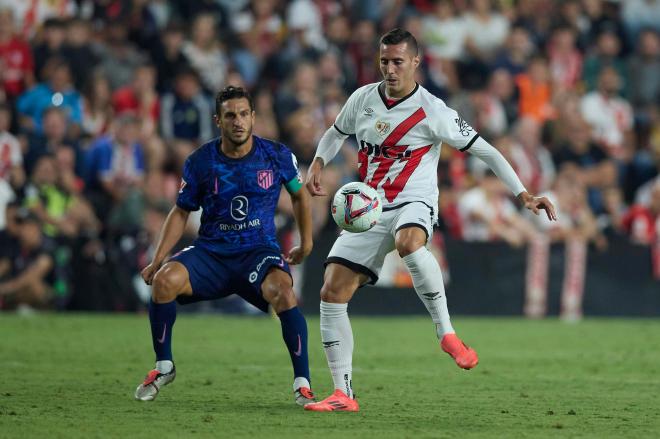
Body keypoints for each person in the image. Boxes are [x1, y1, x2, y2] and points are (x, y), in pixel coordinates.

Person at [304, 29, 556, 412]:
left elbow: (487, 152)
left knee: (409, 243)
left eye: (398, 61)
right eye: (385, 61)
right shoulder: (362, 99)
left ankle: (446, 332)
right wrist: (319, 162)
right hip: (369, 209)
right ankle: (343, 394)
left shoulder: (433, 110)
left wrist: (523, 194)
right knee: (331, 293)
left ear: (415, 63)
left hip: (414, 200)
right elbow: (334, 134)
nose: (390, 69)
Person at [134, 86, 316, 407]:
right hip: (212, 254)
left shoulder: (275, 155)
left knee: (285, 292)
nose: (238, 121)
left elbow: (300, 195)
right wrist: (157, 259)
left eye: (244, 114)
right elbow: (181, 211)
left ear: (253, 117)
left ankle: (303, 383)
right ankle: (164, 366)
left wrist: (306, 241)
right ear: (218, 120)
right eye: (230, 115)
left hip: (257, 253)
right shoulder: (201, 161)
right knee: (164, 281)